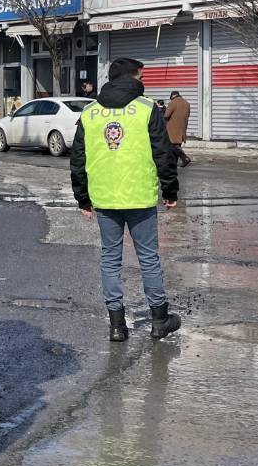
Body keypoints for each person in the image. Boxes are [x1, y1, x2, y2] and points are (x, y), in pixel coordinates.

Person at [70, 58, 182, 343]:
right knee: (148, 258)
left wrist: (82, 198)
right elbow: (163, 152)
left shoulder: (90, 112)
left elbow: (78, 158)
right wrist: (170, 191)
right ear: (134, 76)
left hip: (104, 197)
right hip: (140, 197)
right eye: (141, 75)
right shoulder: (147, 109)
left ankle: (117, 326)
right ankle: (159, 320)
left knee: (110, 259)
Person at [164, 91, 193, 168]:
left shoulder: (173, 103)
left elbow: (166, 115)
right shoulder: (187, 103)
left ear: (172, 96)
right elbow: (188, 114)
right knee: (177, 144)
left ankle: (185, 158)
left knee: (173, 144)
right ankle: (174, 162)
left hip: (173, 127)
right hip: (182, 126)